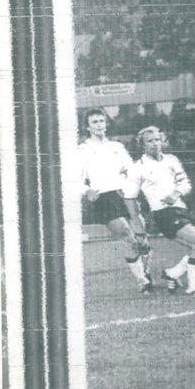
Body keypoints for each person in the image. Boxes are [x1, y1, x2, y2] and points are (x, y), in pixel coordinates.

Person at [124, 126, 195, 296]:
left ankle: (172, 274)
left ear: (162, 141)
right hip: (164, 214)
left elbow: (185, 184)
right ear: (142, 145)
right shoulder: (138, 168)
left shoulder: (171, 159)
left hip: (181, 210)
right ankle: (193, 288)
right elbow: (129, 198)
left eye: (157, 139)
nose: (155, 144)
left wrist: (175, 194)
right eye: (149, 141)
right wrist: (137, 227)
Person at [79, 108, 152, 294]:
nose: (99, 125)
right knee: (129, 236)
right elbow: (74, 178)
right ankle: (143, 281)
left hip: (125, 195)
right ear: (87, 126)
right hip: (103, 198)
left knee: (142, 239)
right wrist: (86, 191)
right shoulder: (82, 150)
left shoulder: (117, 147)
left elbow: (131, 170)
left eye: (101, 121)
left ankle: (146, 272)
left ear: (106, 123)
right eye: (94, 122)